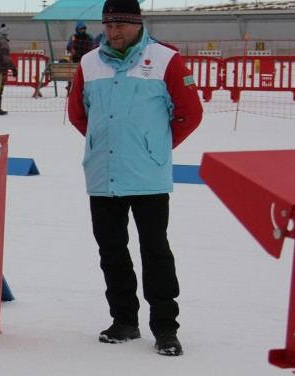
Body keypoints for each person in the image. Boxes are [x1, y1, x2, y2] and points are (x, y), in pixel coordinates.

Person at [67, 0, 202, 357]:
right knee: (112, 253)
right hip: (102, 175)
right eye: (108, 25)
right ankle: (124, 320)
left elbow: (189, 112)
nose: (113, 32)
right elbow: (78, 114)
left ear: (137, 23)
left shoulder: (165, 59)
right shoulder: (89, 62)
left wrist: (154, 147)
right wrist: (102, 144)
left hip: (148, 176)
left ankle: (165, 328)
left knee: (155, 252)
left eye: (120, 26)